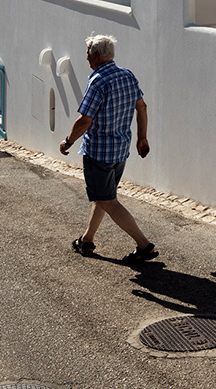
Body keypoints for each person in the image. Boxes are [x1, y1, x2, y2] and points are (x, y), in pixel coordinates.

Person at [60, 34, 156, 262]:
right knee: (103, 197)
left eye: (87, 53)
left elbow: (85, 120)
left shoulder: (98, 81)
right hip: (121, 151)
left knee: (108, 201)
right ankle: (86, 240)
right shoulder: (128, 76)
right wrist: (142, 138)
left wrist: (68, 141)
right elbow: (141, 107)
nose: (86, 58)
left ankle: (144, 245)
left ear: (95, 55)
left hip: (99, 153)